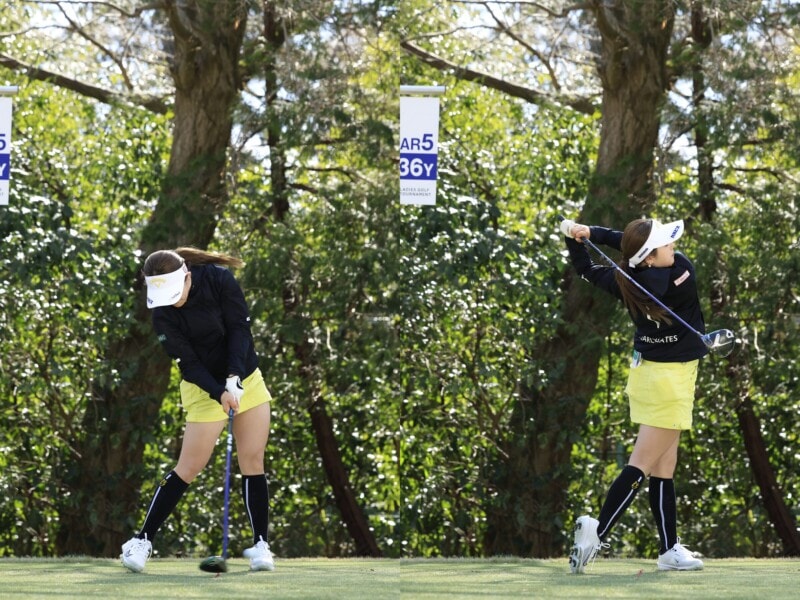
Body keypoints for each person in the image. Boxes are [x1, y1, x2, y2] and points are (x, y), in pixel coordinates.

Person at [560, 216, 706, 574]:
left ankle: (669, 549)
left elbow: (587, 266)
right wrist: (591, 233)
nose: (675, 248)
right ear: (651, 260)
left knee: (663, 466)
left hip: (647, 376)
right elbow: (626, 245)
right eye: (667, 245)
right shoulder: (681, 273)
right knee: (642, 464)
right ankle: (598, 532)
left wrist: (578, 237)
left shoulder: (623, 282)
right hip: (671, 382)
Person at [120, 247, 275, 573]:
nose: (174, 301)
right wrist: (219, 391)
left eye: (178, 293)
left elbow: (239, 328)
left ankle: (261, 545)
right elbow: (188, 364)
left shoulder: (219, 280)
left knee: (253, 459)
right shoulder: (162, 313)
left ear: (188, 275)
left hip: (246, 376)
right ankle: (141, 541)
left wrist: (234, 376)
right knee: (189, 466)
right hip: (204, 389)